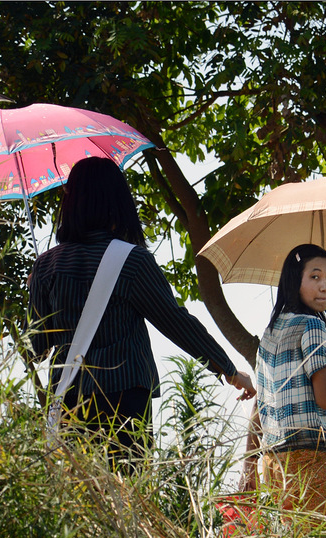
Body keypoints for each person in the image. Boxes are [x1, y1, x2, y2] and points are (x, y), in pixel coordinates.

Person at [26, 156, 255, 474]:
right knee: (129, 501)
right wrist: (228, 369)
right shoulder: (131, 261)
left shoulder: (46, 266)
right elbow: (177, 323)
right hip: (125, 400)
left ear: (71, 204)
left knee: (78, 508)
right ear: (118, 202)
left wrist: (37, 288)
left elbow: (36, 349)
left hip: (69, 399)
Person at [246, 244, 326, 526]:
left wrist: (248, 463)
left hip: (273, 459)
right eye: (314, 277)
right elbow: (324, 397)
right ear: (295, 281)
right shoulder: (312, 326)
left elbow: (260, 402)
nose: (325, 286)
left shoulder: (271, 332)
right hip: (309, 454)